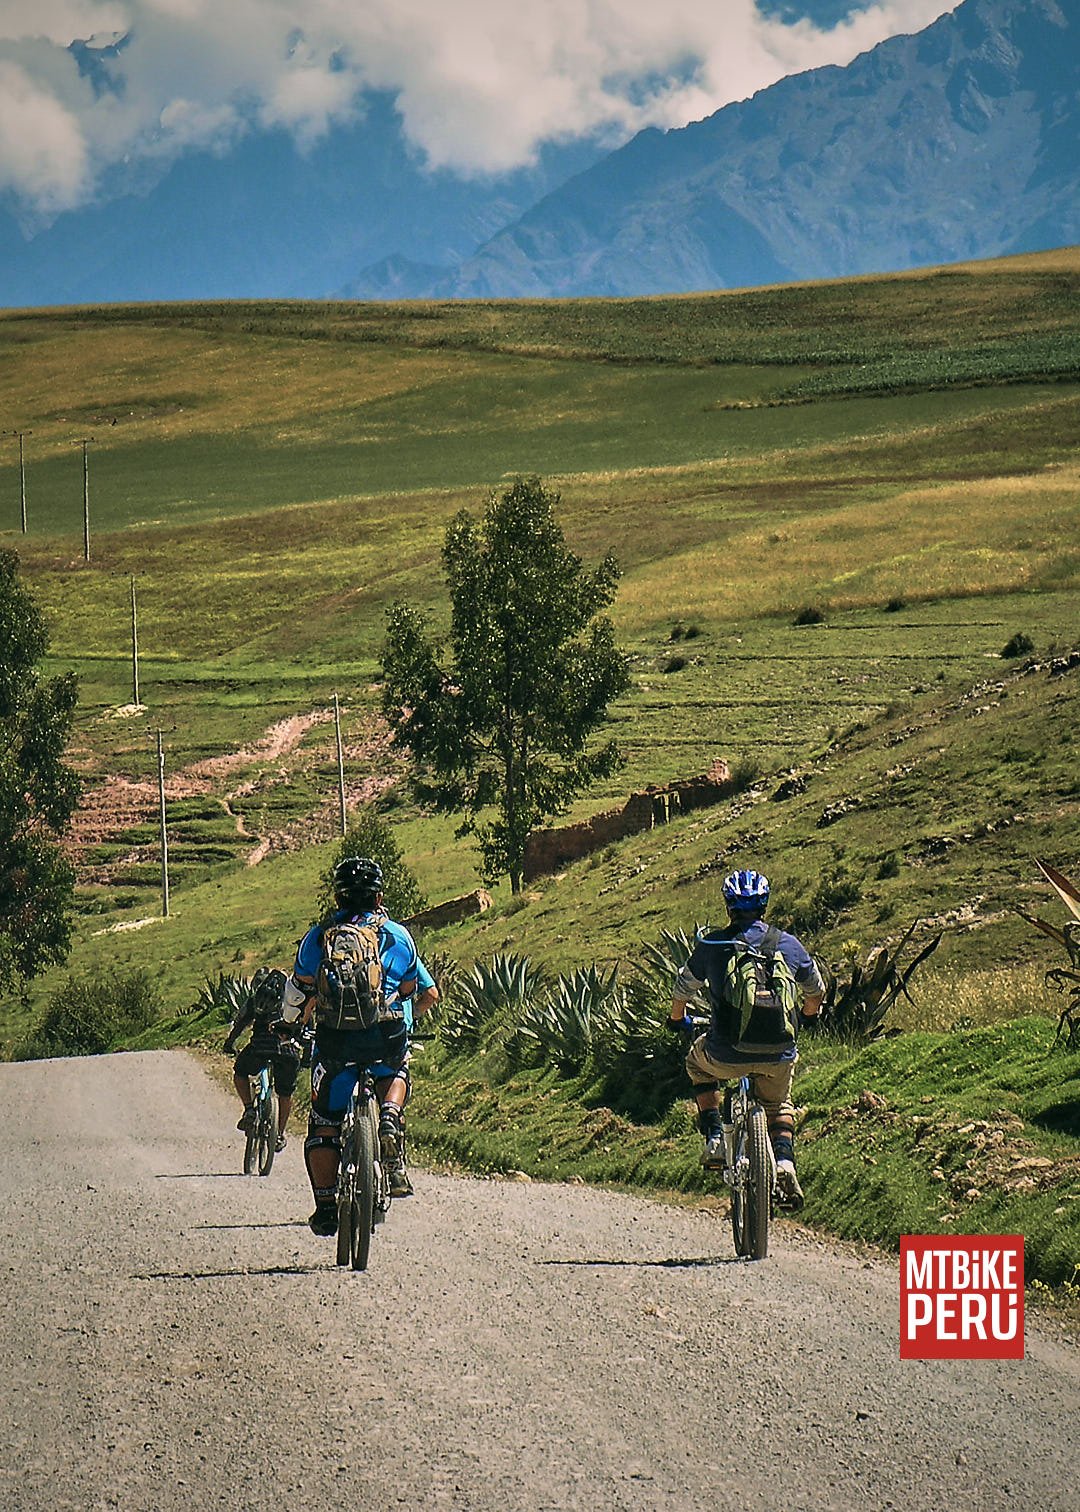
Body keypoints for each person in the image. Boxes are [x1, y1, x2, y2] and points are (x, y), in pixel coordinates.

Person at [283, 855, 439, 1237]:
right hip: (385, 1035)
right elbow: (410, 989)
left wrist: (289, 1028)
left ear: (338, 897)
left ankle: (325, 1205)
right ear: (379, 895)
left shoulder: (319, 937)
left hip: (335, 1042)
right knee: (397, 1069)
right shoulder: (398, 936)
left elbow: (299, 989)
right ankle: (388, 1114)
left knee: (324, 1124)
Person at [669, 868, 824, 1211]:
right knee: (778, 1105)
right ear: (764, 905)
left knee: (698, 1065)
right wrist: (808, 1015)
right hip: (778, 1053)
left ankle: (713, 1138)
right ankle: (784, 1162)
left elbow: (682, 988)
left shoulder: (712, 944)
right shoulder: (788, 943)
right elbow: (816, 991)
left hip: (725, 1051)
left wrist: (677, 1019)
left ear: (729, 906)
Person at [223, 966, 301, 1152]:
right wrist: (305, 1058)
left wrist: (229, 1043)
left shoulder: (255, 1001)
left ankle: (249, 1108)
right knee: (285, 1093)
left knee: (240, 1072)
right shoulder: (294, 1002)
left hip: (259, 1047)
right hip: (287, 1053)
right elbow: (306, 1028)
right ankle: (280, 1134)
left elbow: (240, 1023)